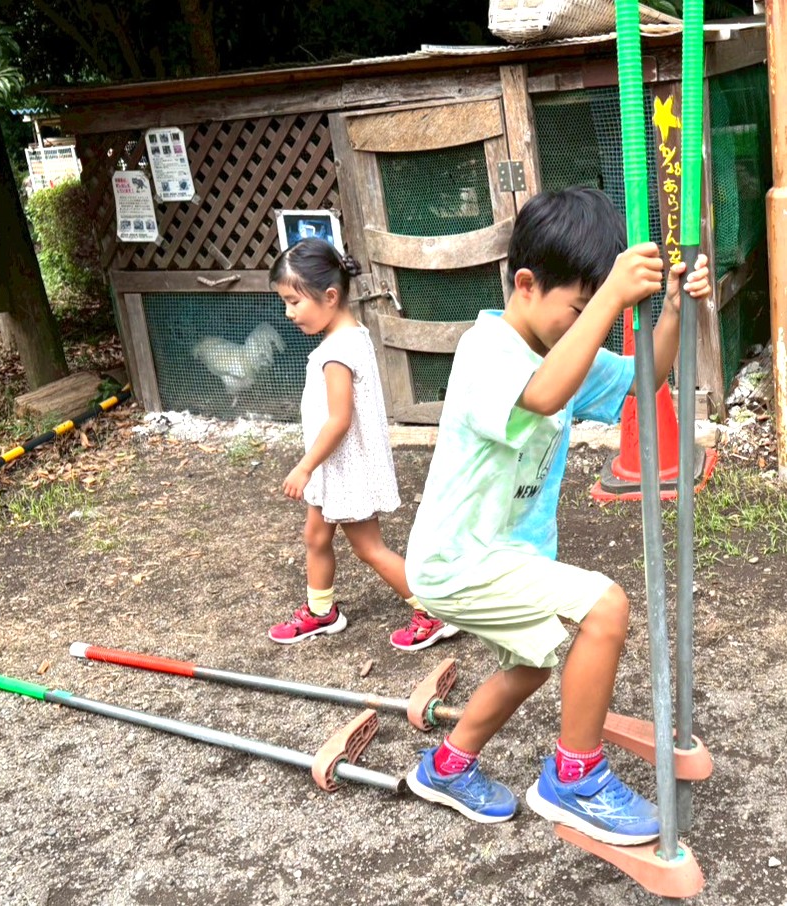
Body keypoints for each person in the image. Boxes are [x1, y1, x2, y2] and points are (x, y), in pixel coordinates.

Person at [403, 187, 711, 844]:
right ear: (525, 284)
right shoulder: (486, 351)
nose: (585, 325)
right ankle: (573, 777)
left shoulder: (561, 343)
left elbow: (644, 378)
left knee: (535, 662)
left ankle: (447, 765)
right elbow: (543, 397)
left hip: (505, 555)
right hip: (457, 560)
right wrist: (607, 303)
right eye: (578, 308)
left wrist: (676, 307)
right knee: (606, 607)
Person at [266, 237, 459, 652]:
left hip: (343, 466)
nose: (289, 313)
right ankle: (322, 612)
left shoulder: (337, 352)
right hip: (333, 467)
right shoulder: (352, 335)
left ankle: (434, 610)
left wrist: (304, 466)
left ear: (330, 296)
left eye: (294, 302)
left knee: (369, 547)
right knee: (315, 536)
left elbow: (340, 419)